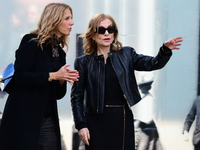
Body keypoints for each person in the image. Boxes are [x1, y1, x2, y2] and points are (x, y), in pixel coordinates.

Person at [70, 13, 183, 150]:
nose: (107, 34)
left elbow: (152, 64)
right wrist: (81, 125)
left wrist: (164, 50)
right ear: (93, 35)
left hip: (121, 118)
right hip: (94, 120)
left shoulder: (127, 54)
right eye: (101, 30)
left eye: (110, 29)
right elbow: (76, 97)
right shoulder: (83, 62)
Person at [0, 3, 79, 150]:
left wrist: (62, 79)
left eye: (71, 18)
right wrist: (54, 75)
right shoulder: (31, 41)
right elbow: (21, 76)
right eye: (67, 18)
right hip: (23, 116)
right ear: (55, 20)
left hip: (48, 117)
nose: (72, 22)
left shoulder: (59, 52)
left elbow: (58, 95)